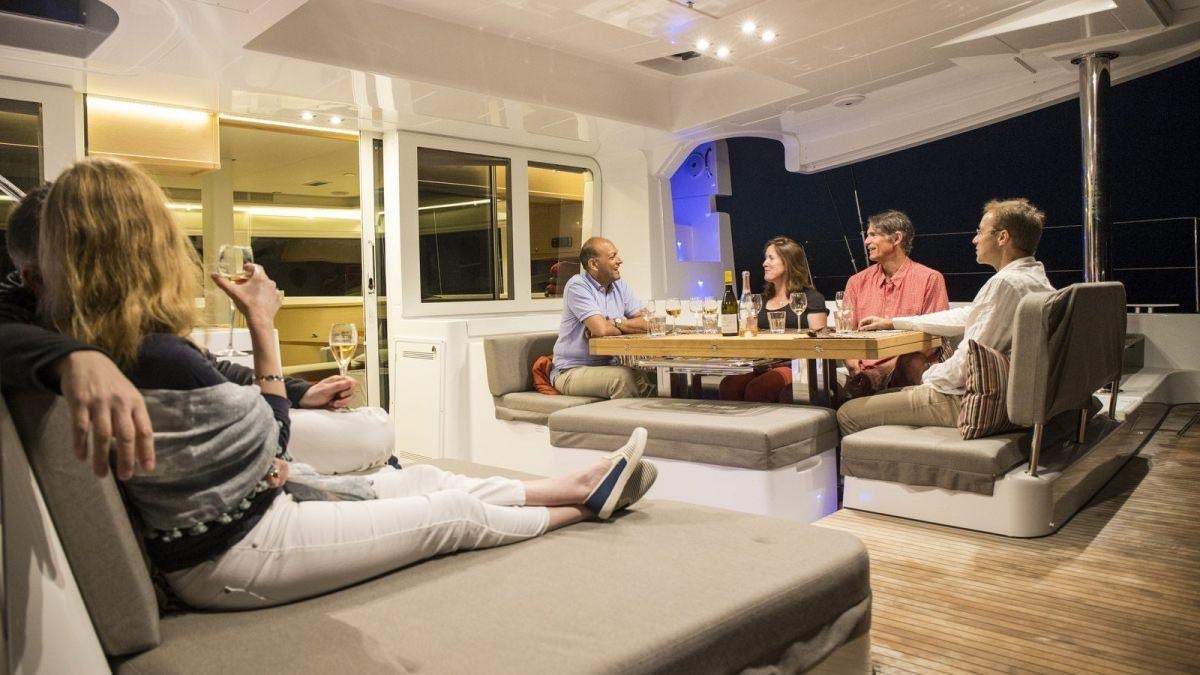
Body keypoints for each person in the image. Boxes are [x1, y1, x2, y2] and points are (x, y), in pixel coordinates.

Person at [33, 157, 657, 610]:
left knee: (416, 477)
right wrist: (262, 325)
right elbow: (274, 443)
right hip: (236, 554)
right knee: (451, 513)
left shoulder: (102, 340)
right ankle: (580, 506)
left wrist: (272, 455)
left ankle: (569, 482)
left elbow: (260, 450)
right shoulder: (153, 354)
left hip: (253, 515)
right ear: (149, 244)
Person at [0, 183, 388, 478]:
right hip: (228, 445)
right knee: (376, 432)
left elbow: (210, 367)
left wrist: (300, 390)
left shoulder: (103, 323)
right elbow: (271, 440)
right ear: (34, 277)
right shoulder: (70, 332)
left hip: (231, 426)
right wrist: (74, 357)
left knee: (372, 438)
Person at [837, 198, 1054, 435]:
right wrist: (893, 322)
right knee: (881, 397)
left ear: (1002, 238)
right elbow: (965, 315)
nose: (975, 239)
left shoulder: (1004, 284)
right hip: (1009, 396)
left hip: (969, 402)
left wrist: (927, 375)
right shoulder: (1034, 280)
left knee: (848, 413)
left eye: (980, 231)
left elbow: (965, 366)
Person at [841, 211, 949, 398]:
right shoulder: (856, 282)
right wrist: (854, 366)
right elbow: (844, 333)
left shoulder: (930, 279)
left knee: (912, 362)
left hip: (905, 368)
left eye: (873, 234)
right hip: (863, 372)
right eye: (868, 235)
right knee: (823, 394)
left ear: (897, 238)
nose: (866, 241)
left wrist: (881, 372)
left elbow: (934, 338)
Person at [719, 236, 828, 403]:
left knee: (759, 388)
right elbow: (751, 336)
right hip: (761, 363)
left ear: (788, 263)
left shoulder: (810, 298)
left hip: (795, 365)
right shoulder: (760, 300)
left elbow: (820, 342)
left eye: (771, 258)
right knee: (729, 385)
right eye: (765, 258)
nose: (764, 263)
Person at [551, 236, 656, 399]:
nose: (620, 261)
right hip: (571, 371)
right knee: (622, 378)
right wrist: (621, 325)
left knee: (652, 375)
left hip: (609, 365)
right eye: (612, 257)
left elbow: (648, 323)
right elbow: (600, 330)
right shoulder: (577, 285)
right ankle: (624, 424)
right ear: (593, 264)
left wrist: (616, 322)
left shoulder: (620, 286)